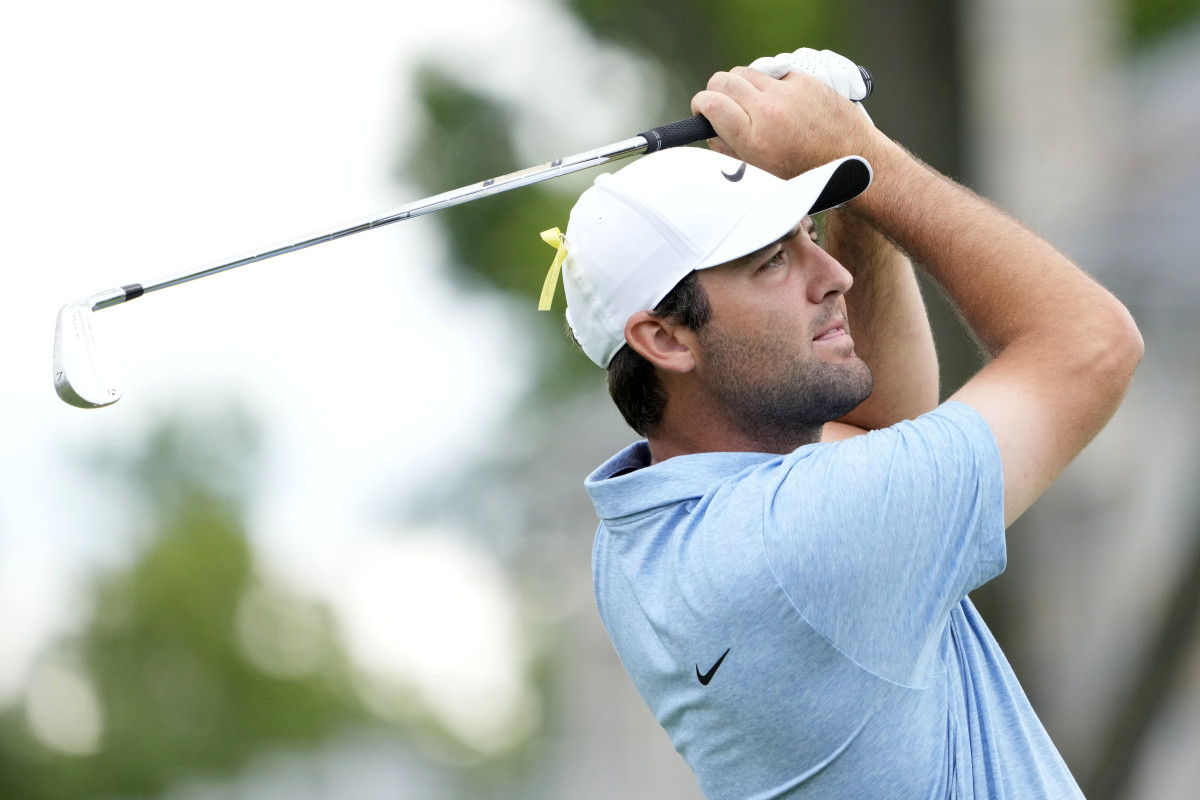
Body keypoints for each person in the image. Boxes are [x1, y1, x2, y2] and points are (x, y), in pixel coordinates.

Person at [538, 49, 1143, 799]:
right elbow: (1092, 344)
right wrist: (868, 158)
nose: (834, 278)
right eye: (770, 262)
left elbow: (886, 424)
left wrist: (843, 169)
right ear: (663, 337)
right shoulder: (798, 543)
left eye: (811, 237)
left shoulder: (643, 538)